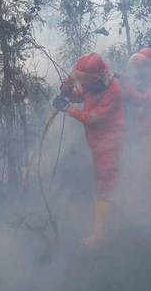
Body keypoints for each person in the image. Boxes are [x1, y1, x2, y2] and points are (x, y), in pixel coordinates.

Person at [52, 52, 125, 245]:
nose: (83, 84)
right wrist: (67, 88)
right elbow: (77, 95)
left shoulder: (113, 90)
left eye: (85, 80)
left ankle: (102, 232)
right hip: (96, 142)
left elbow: (93, 118)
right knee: (103, 181)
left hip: (109, 143)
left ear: (96, 77)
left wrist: (67, 109)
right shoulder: (94, 84)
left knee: (105, 184)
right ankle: (114, 221)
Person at [121, 47, 151, 184]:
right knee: (139, 171)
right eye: (138, 68)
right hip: (144, 133)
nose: (139, 72)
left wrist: (125, 84)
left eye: (143, 68)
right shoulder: (142, 83)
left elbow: (144, 99)